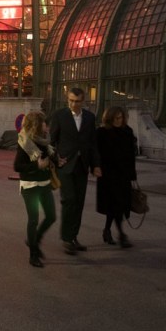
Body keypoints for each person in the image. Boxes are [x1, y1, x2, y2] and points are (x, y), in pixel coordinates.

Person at [49, 87, 101, 255]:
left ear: (83, 101)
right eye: (71, 100)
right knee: (69, 200)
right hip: (65, 165)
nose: (73, 104)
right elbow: (51, 141)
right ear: (67, 99)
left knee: (79, 202)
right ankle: (66, 238)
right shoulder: (59, 116)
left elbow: (93, 144)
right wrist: (56, 158)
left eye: (77, 101)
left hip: (82, 165)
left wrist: (96, 165)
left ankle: (73, 237)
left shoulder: (89, 118)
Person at [14, 111, 63, 267]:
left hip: (44, 184)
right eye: (44, 123)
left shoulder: (45, 141)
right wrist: (37, 165)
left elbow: (51, 156)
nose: (47, 126)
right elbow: (17, 166)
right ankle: (33, 254)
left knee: (51, 217)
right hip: (30, 186)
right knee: (33, 219)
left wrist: (59, 161)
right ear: (37, 124)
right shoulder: (24, 142)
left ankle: (34, 240)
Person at [95, 106, 137, 248]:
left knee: (117, 206)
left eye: (121, 118)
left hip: (123, 175)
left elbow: (132, 155)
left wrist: (133, 175)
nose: (119, 121)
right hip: (108, 175)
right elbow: (96, 153)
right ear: (109, 118)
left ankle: (107, 230)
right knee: (115, 206)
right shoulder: (102, 133)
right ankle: (121, 235)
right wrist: (96, 167)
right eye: (116, 118)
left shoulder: (127, 132)